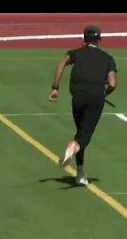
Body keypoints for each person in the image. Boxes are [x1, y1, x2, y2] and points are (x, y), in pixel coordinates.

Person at [50, 25, 117, 186]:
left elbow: (61, 64)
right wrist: (103, 92)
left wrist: (55, 88)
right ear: (99, 40)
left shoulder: (75, 53)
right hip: (96, 98)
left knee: (80, 132)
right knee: (84, 137)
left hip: (78, 97)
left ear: (84, 39)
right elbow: (113, 84)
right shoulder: (108, 58)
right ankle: (75, 147)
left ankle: (80, 174)